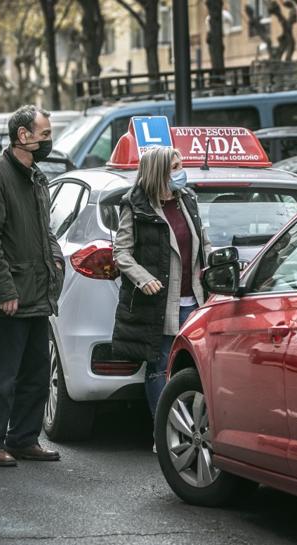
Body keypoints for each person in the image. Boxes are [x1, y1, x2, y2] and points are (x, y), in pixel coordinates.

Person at [0, 105, 64, 467]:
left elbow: (45, 231)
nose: (48, 141)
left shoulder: (36, 176)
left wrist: (54, 260)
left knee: (36, 374)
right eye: (44, 135)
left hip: (38, 294)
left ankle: (24, 439)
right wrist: (5, 291)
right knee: (1, 376)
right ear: (22, 136)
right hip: (9, 299)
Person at [112, 147, 212, 423]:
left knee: (194, 368)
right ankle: (163, 430)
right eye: (175, 167)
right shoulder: (135, 204)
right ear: (159, 172)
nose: (181, 173)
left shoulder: (187, 199)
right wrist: (144, 279)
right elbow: (121, 253)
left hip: (195, 303)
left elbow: (202, 243)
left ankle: (192, 424)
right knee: (161, 366)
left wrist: (214, 266)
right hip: (160, 304)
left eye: (181, 166)